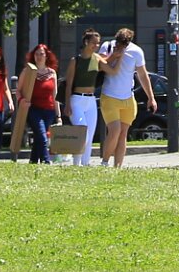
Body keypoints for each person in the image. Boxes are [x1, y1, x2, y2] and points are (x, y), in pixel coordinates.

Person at [96, 28, 156, 168]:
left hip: (128, 98)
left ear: (128, 42)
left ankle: (118, 166)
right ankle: (104, 162)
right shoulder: (107, 46)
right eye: (118, 42)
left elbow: (142, 74)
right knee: (114, 130)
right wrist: (114, 56)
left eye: (123, 44)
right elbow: (98, 65)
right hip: (109, 96)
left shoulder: (136, 51)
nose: (120, 46)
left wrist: (151, 97)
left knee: (123, 134)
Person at [66, 31, 104, 167]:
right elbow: (68, 84)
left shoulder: (97, 58)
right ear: (86, 42)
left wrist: (118, 55)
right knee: (83, 134)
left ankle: (85, 163)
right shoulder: (75, 60)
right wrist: (67, 104)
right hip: (77, 99)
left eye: (98, 43)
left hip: (91, 100)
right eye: (94, 43)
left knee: (90, 134)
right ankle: (76, 163)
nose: (96, 45)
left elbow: (110, 67)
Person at [18, 43, 60, 164]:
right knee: (42, 136)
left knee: (38, 137)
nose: (39, 57)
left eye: (41, 54)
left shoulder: (52, 73)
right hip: (34, 109)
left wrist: (58, 116)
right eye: (36, 54)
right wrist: (22, 101)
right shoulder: (28, 71)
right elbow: (18, 91)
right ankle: (46, 161)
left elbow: (55, 96)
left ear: (46, 56)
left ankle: (33, 160)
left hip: (49, 111)